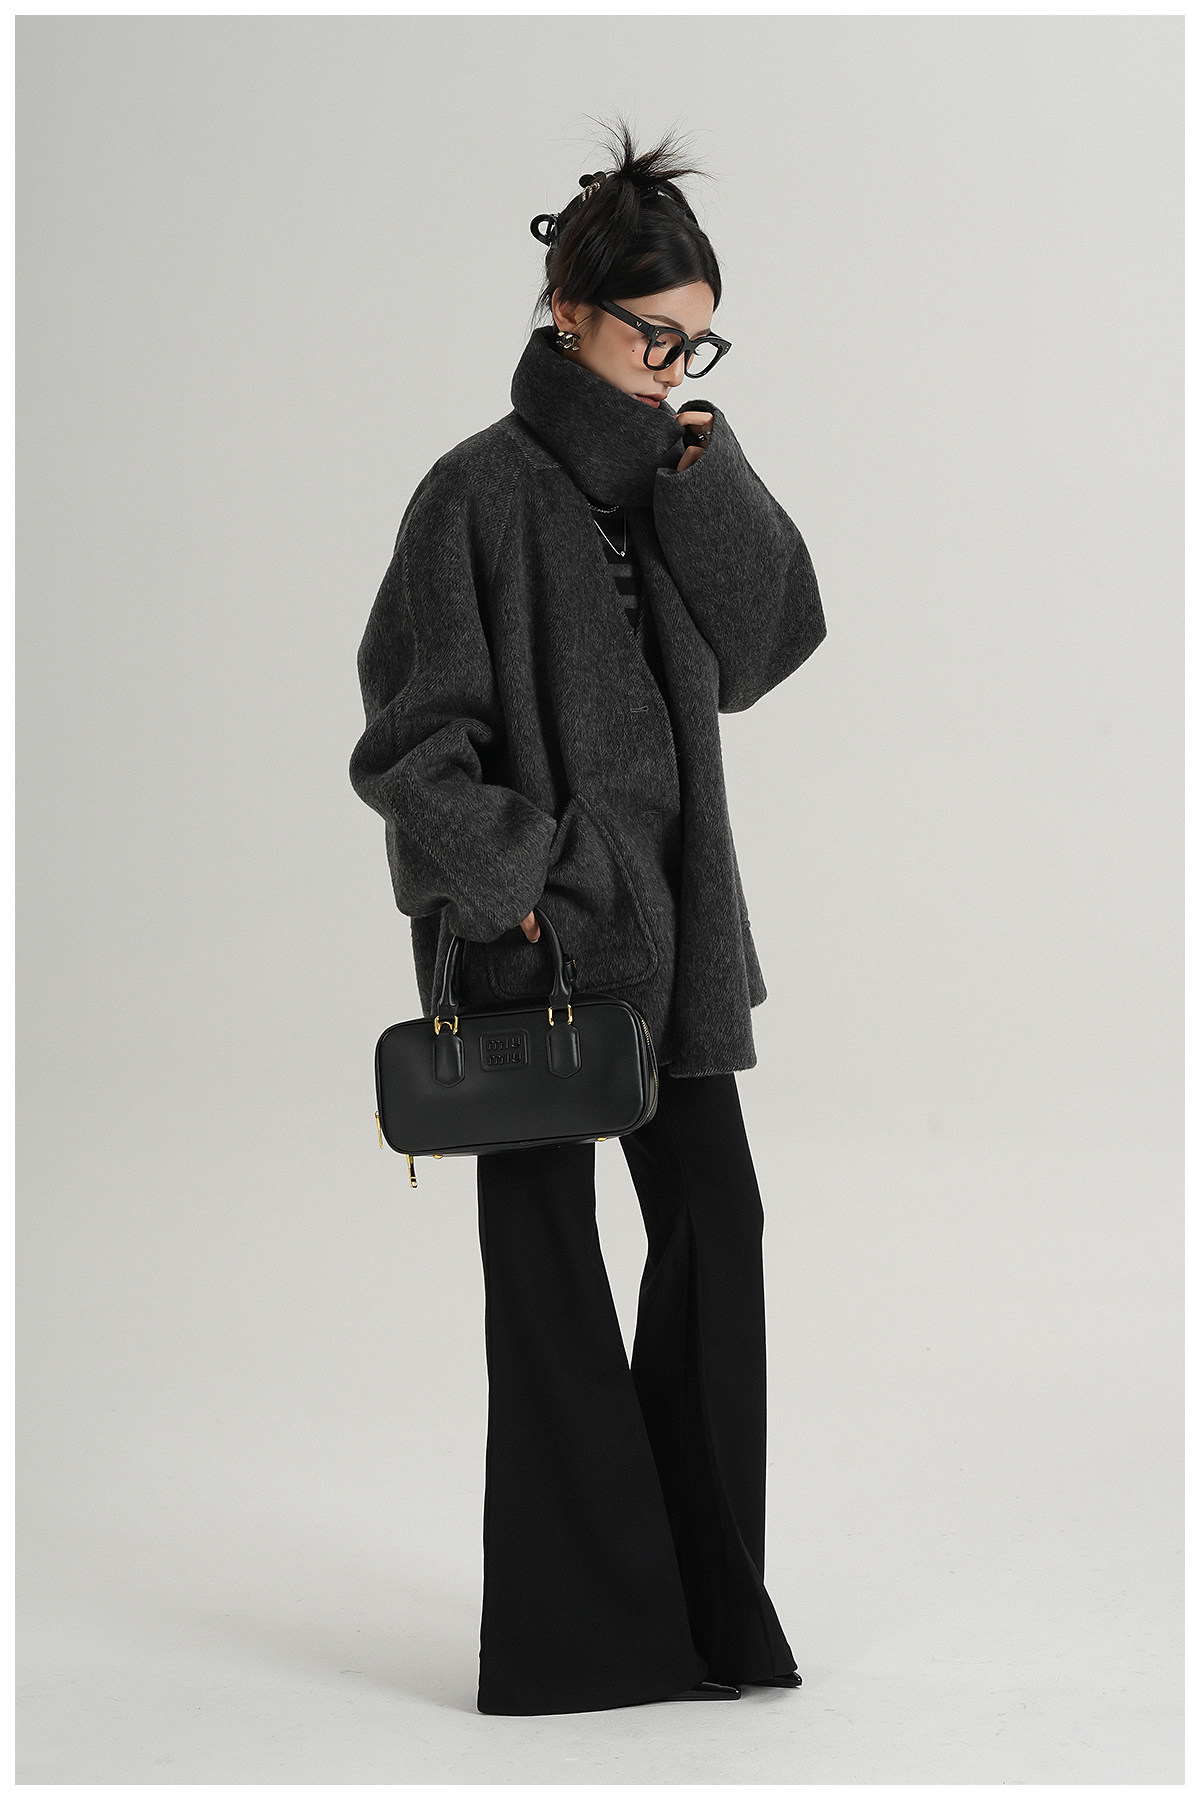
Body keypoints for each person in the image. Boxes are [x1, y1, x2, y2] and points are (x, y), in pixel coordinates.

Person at [349, 118, 827, 1717]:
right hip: (536, 945)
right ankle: (586, 1642)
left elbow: (771, 646)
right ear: (566, 313)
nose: (671, 366)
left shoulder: (673, 482)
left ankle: (709, 1611)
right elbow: (410, 746)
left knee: (718, 1231)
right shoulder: (471, 496)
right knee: (550, 1280)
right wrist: (522, 887)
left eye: (697, 342)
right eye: (651, 337)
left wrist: (710, 467)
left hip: (676, 945)